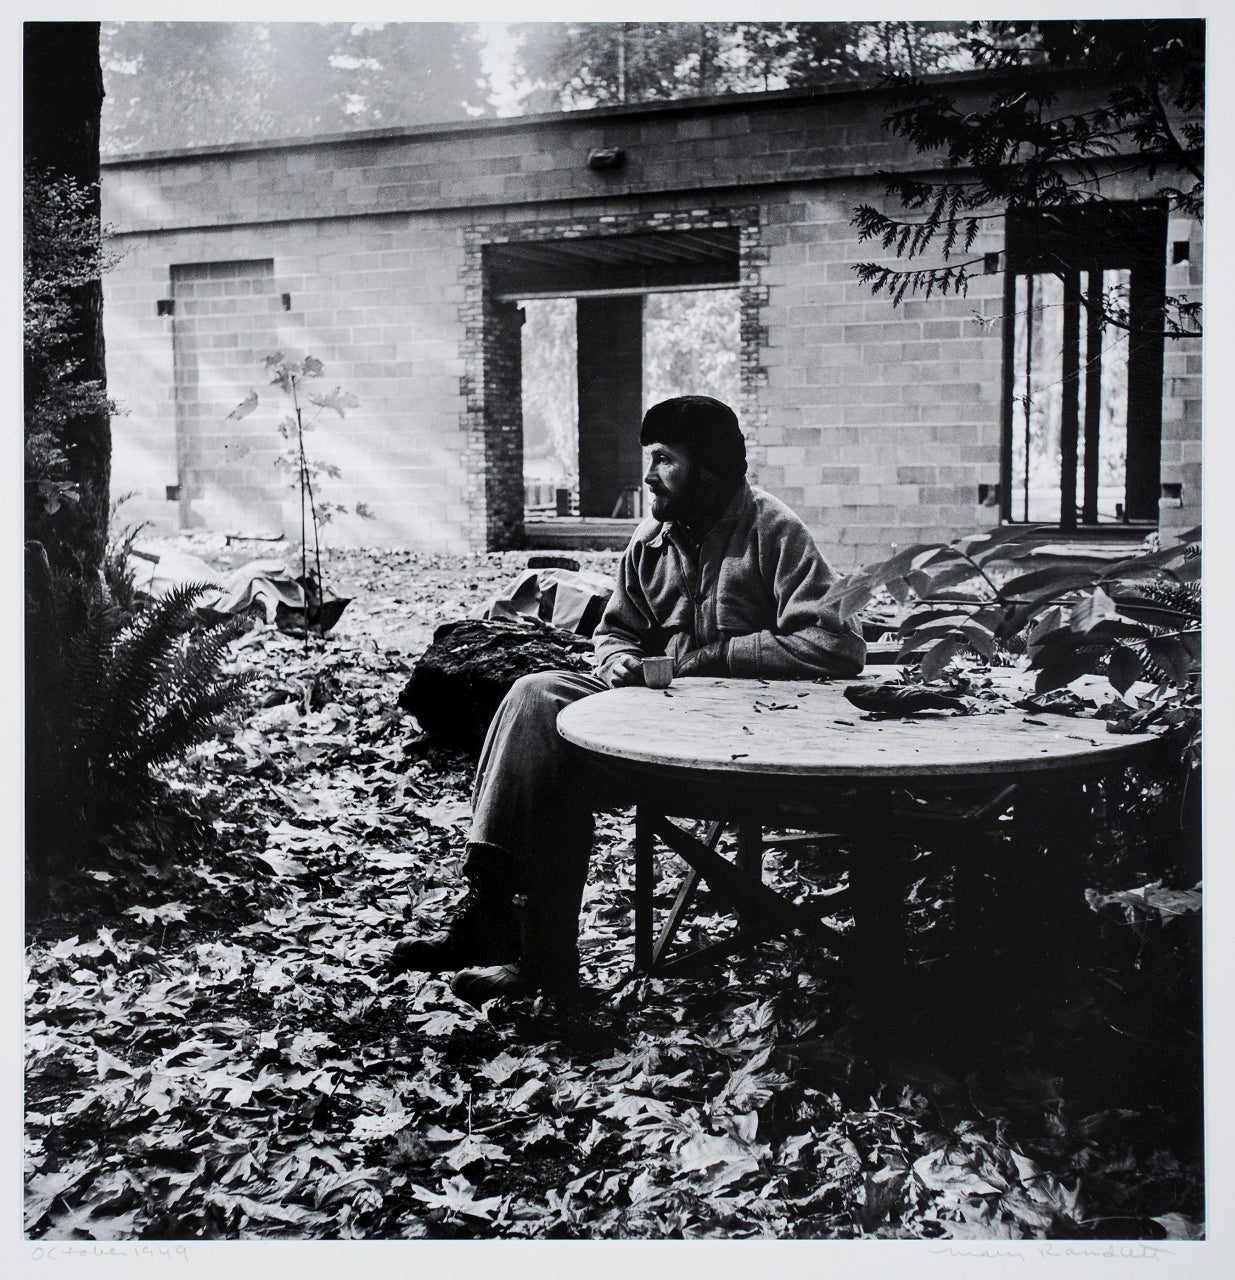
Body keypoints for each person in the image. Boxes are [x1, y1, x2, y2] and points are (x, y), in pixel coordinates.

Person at [388, 395, 865, 1002]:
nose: (647, 477)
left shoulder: (776, 532)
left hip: (745, 748)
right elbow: (614, 631)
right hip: (651, 725)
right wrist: (616, 663)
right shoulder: (651, 541)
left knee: (557, 766)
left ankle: (521, 948)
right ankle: (503, 922)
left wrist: (717, 657)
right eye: (650, 459)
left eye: (664, 460)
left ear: (710, 472)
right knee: (536, 697)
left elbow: (836, 646)